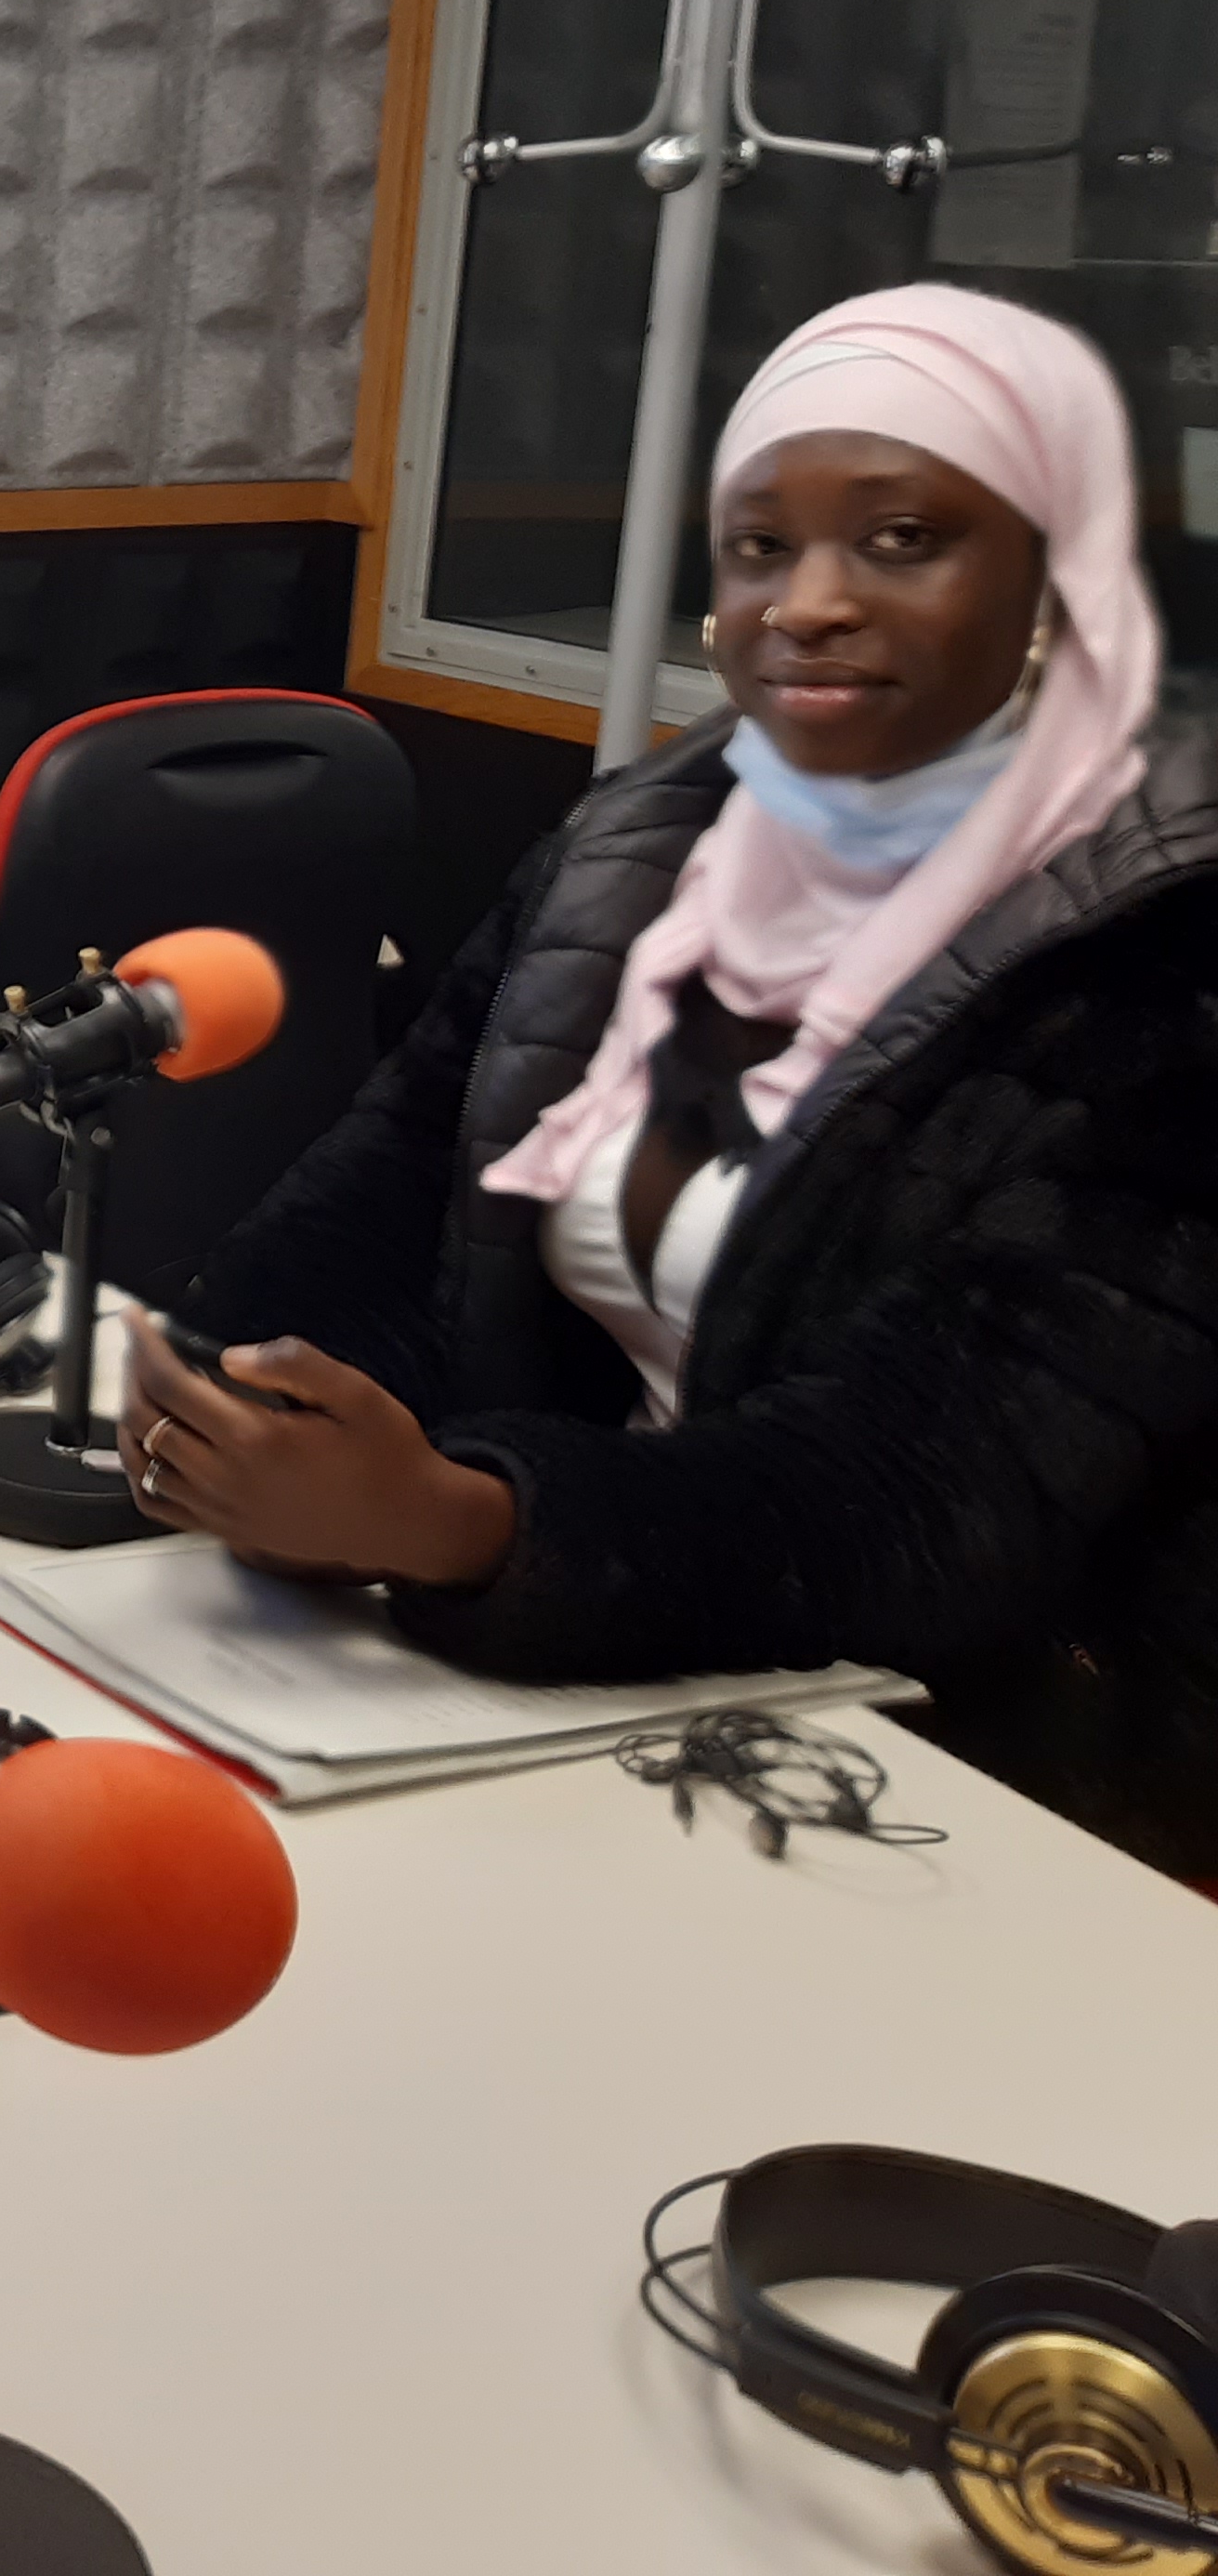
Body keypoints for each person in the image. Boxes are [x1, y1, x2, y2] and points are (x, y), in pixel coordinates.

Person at [125, 284, 1218, 1873]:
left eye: (902, 539)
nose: (809, 603)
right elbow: (387, 1205)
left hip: (997, 1779)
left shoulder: (1166, 951)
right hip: (594, 1675)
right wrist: (242, 1395)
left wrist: (460, 1522)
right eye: (761, 545)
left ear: (1053, 583)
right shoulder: (637, 849)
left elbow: (927, 1500)